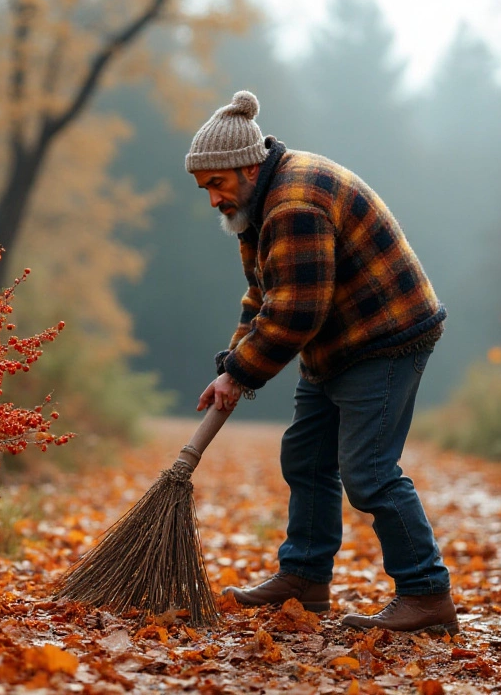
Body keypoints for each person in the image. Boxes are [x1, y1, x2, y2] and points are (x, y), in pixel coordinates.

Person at [185, 90, 457, 635]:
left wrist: (241, 373)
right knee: (306, 457)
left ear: (245, 166)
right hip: (337, 340)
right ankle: (305, 579)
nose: (212, 198)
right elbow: (263, 295)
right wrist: (231, 366)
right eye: (204, 189)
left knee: (369, 473)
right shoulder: (255, 209)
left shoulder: (294, 205)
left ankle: (427, 595)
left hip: (385, 337)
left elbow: (295, 312)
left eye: (216, 184)